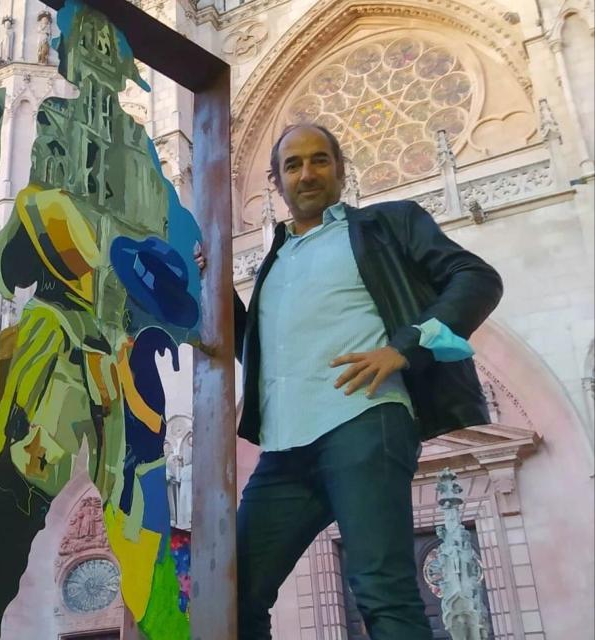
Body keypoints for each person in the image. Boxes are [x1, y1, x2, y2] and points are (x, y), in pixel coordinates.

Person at [198, 123, 502, 639]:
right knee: (232, 594)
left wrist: (404, 347)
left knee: (382, 594)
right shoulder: (275, 261)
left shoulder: (388, 224)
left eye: (320, 160)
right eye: (292, 165)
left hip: (364, 423)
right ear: (276, 181)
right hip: (285, 446)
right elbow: (256, 344)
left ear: (341, 170)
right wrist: (214, 286)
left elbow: (477, 278)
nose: (307, 173)